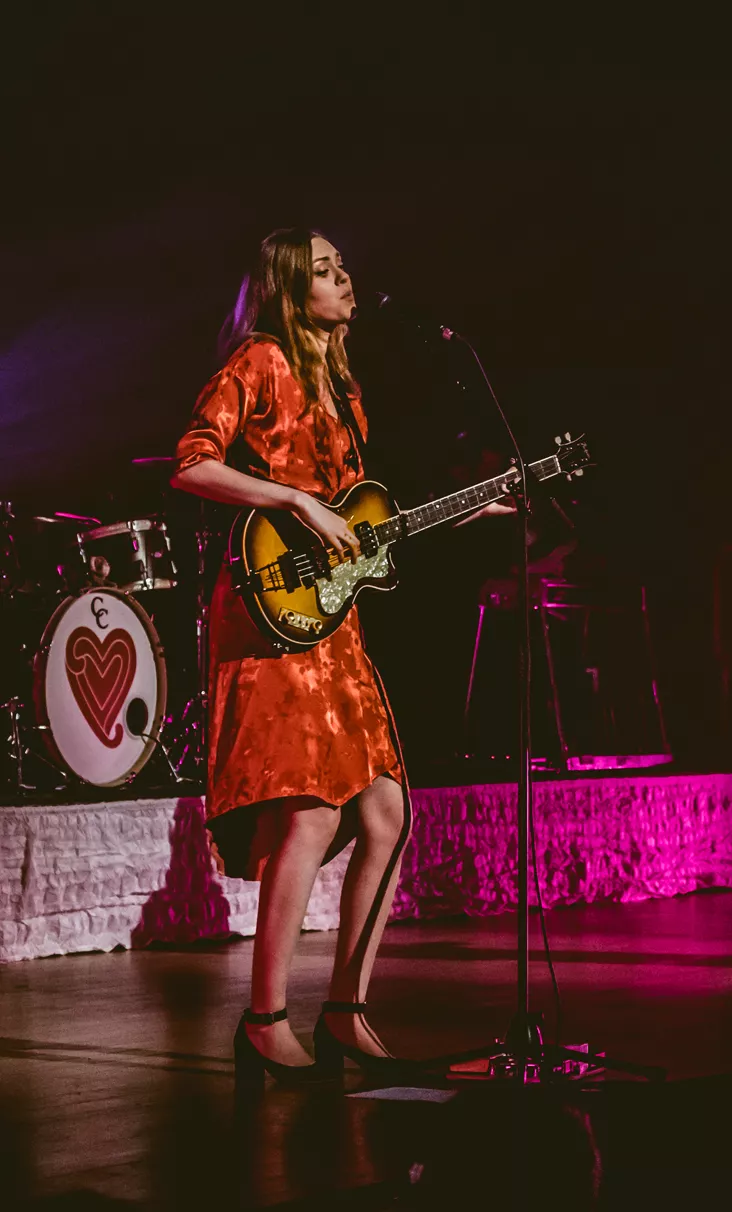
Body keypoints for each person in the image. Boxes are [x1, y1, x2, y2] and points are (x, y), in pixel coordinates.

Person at [171, 227, 512, 1086]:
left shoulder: (343, 389)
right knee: (311, 812)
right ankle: (263, 1020)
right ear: (290, 291)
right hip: (269, 614)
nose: (344, 279)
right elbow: (193, 464)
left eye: (341, 266)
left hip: (333, 623)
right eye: (324, 272)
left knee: (388, 815)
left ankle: (348, 1012)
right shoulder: (258, 362)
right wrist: (291, 498)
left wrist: (464, 514)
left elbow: (360, 527)